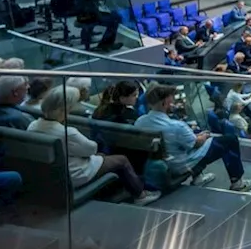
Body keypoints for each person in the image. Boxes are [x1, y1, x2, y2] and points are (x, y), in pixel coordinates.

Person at [29, 87, 161, 205]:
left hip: (53, 173)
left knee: (104, 157)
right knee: (121, 160)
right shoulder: (68, 133)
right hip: (75, 174)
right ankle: (140, 195)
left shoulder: (33, 125)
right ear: (65, 109)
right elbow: (92, 148)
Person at [137, 84, 251, 192]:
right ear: (164, 103)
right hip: (179, 165)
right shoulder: (175, 126)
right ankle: (237, 182)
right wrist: (204, 136)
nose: (173, 104)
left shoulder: (140, 122)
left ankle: (198, 178)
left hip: (158, 162)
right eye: (171, 102)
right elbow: (196, 143)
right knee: (230, 140)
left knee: (193, 135)